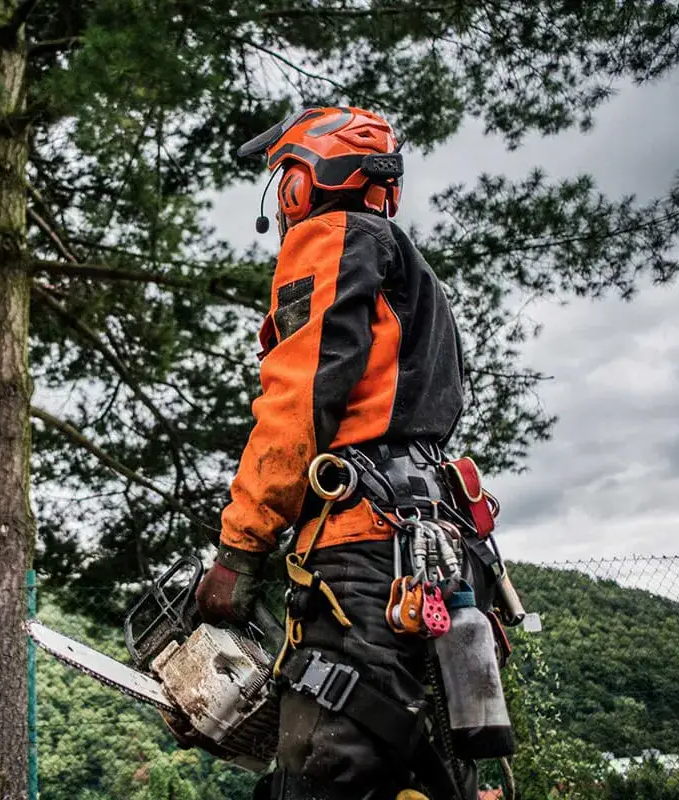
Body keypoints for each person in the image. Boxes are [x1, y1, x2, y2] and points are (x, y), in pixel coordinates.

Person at [197, 107, 497, 800]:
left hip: (366, 555)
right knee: (419, 772)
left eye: (286, 180)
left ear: (305, 179)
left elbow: (297, 403)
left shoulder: (330, 239)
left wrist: (239, 550)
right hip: (438, 551)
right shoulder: (411, 270)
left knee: (326, 773)